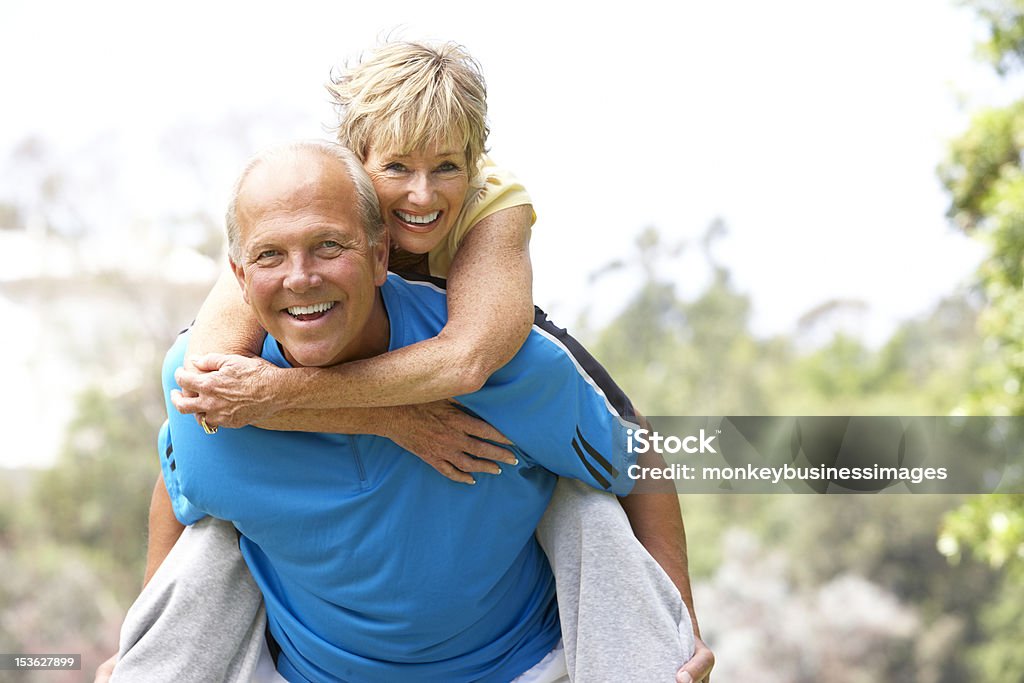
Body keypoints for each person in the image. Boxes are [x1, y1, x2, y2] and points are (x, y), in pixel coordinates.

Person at [167, 41, 712, 679]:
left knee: (582, 481)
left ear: (474, 163)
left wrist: (683, 628)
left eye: (447, 166)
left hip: (467, 341)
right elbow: (201, 392)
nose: (421, 195)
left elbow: (466, 362)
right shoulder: (301, 228)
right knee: (203, 488)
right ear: (354, 160)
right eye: (396, 167)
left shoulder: (492, 209)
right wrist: (387, 419)